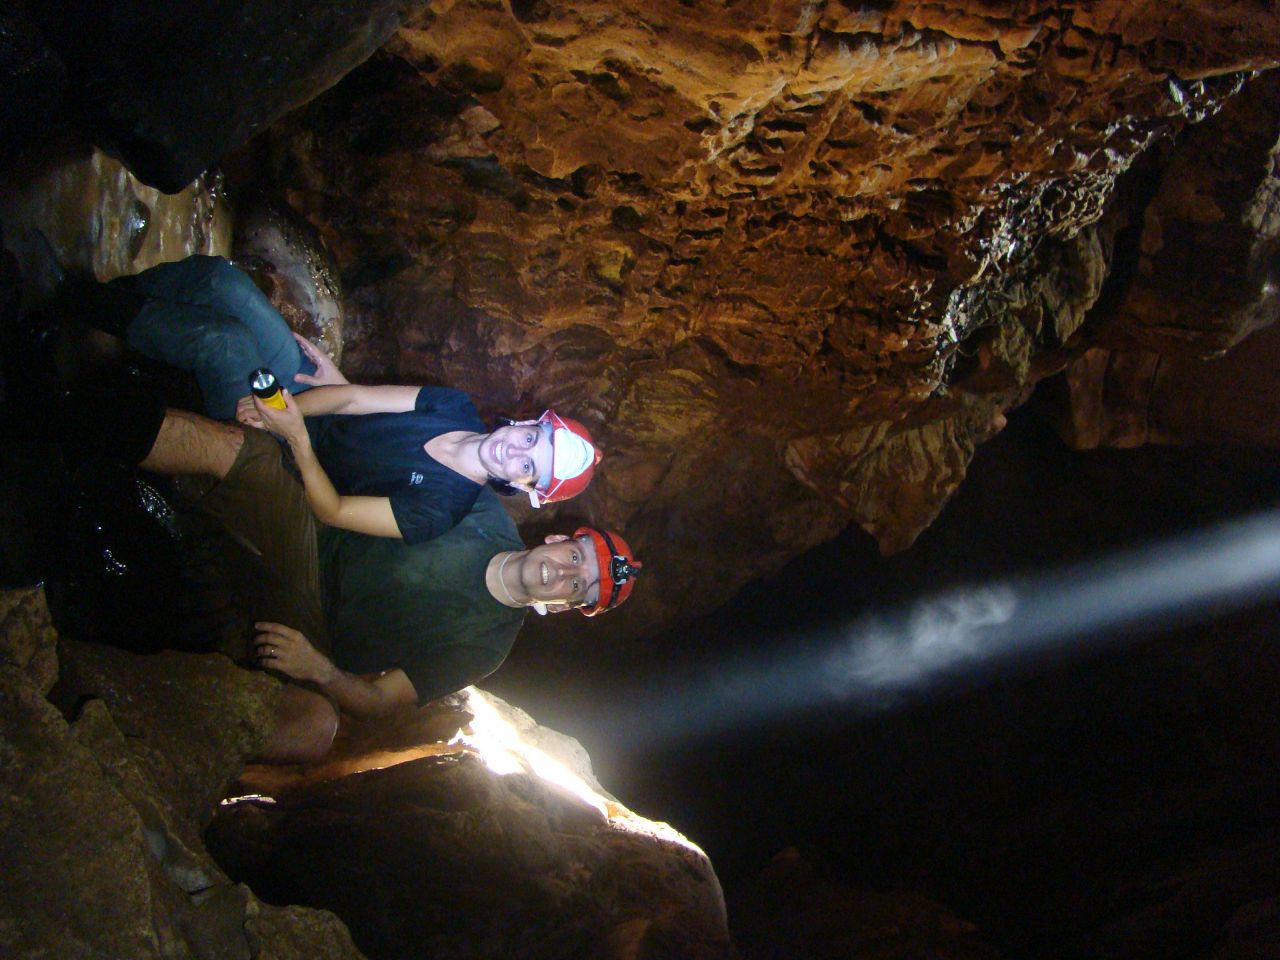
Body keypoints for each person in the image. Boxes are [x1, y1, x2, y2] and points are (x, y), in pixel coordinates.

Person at [68, 384, 642, 763]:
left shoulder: (486, 646)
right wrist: (306, 413)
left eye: (578, 586)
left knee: (314, 730)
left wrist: (318, 668)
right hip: (310, 539)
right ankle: (72, 414)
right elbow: (384, 463)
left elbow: (380, 701)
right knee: (237, 450)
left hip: (314, 630)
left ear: (567, 608)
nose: (563, 575)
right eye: (575, 559)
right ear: (560, 537)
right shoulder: (479, 509)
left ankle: (109, 716)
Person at [66, 254, 601, 544]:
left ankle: (69, 300)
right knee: (221, 283)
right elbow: (354, 401)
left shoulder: (439, 511)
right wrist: (304, 399)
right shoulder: (454, 406)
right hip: (303, 410)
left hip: (290, 469)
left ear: (521, 486)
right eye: (531, 438)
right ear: (525, 422)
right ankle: (110, 300)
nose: (515, 450)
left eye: (530, 465)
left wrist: (289, 432)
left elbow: (333, 510)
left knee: (222, 344)